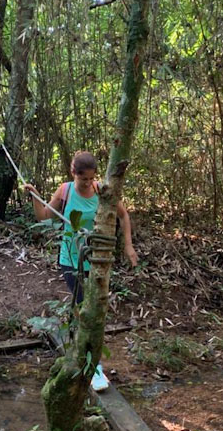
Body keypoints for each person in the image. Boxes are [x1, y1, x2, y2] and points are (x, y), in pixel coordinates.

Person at [23, 151, 138, 391]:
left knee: (95, 309)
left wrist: (128, 245)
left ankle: (87, 358)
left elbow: (123, 215)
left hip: (97, 261)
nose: (87, 183)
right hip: (71, 260)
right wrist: (34, 195)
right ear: (73, 173)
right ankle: (92, 367)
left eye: (90, 179)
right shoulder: (64, 191)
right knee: (84, 308)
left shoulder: (100, 191)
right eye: (83, 179)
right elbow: (44, 217)